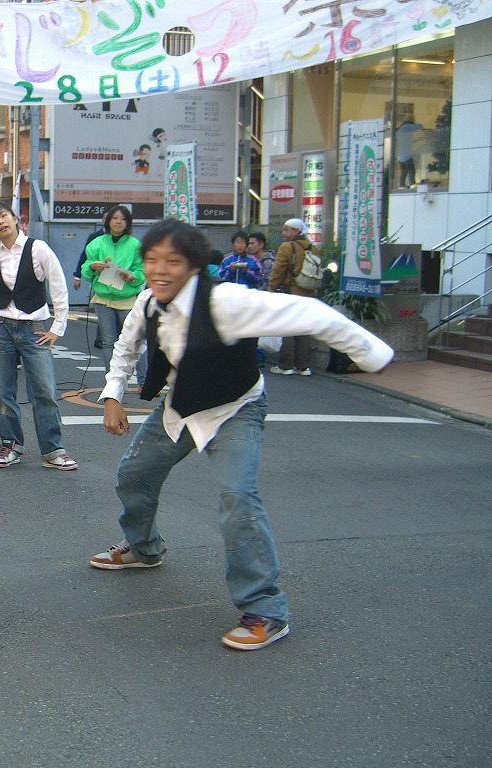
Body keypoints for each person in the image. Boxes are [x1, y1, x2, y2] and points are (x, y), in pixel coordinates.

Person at [89, 219, 393, 650]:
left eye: (172, 261)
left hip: (235, 408)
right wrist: (113, 395)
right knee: (134, 475)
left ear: (194, 266)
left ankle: (266, 609)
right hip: (181, 404)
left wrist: (372, 354)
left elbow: (313, 313)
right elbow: (126, 345)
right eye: (152, 260)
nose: (159, 269)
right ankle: (143, 547)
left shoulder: (227, 301)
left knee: (238, 497)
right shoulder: (148, 300)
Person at [0, 202, 77, 471]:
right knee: (4, 393)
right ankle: (11, 445)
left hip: (34, 329)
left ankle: (53, 450)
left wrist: (57, 328)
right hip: (1, 330)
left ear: (15, 218)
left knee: (44, 392)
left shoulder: (38, 249)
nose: (1, 222)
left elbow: (58, 286)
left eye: (4, 216)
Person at [80, 205, 144, 373]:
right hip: (103, 300)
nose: (118, 222)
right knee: (108, 342)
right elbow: (86, 268)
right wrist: (92, 266)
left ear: (128, 223)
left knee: (135, 340)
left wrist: (133, 277)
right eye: (115, 218)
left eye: (123, 219)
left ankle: (144, 381)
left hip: (127, 299)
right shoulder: (97, 243)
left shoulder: (135, 245)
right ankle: (112, 378)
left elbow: (142, 270)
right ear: (108, 221)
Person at [268, 218, 320, 375]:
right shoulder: (313, 247)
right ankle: (303, 367)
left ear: (296, 231)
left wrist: (271, 287)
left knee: (288, 328)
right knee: (303, 330)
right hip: (309, 293)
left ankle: (286, 366)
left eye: (287, 229)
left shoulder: (287, 247)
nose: (283, 233)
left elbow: (278, 270)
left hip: (291, 291)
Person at [74, 216, 107, 349]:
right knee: (103, 311)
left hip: (121, 285)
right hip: (99, 281)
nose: (117, 221)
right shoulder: (95, 237)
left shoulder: (129, 242)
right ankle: (100, 339)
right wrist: (78, 276)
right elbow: (84, 257)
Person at [395, 117, 423, 188]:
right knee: (411, 170)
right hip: (406, 155)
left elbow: (407, 141)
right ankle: (412, 184)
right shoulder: (406, 127)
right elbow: (419, 126)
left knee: (404, 172)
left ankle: (402, 185)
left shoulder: (399, 130)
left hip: (400, 156)